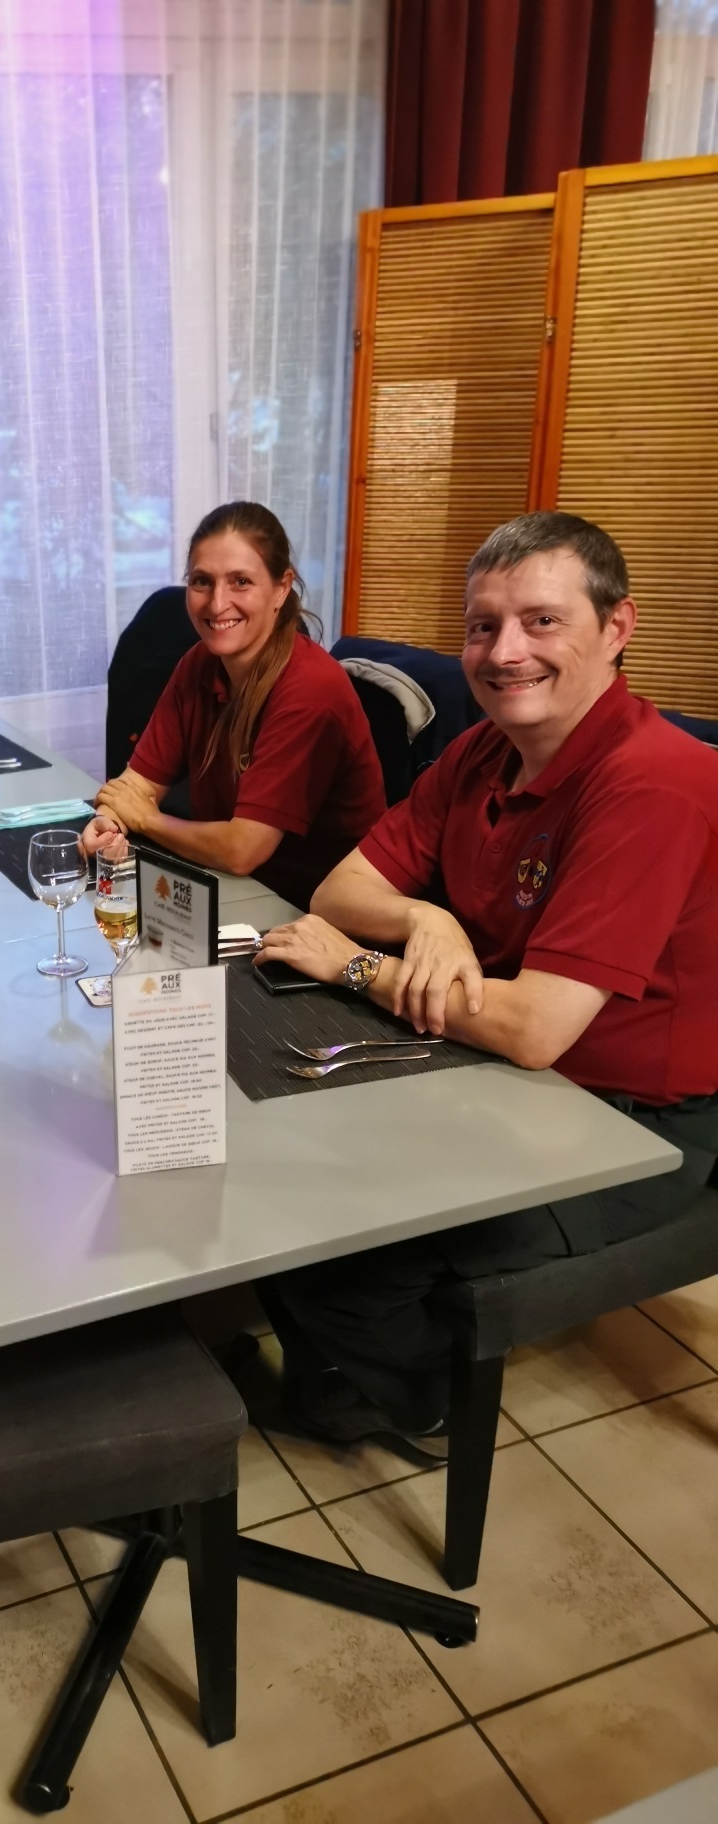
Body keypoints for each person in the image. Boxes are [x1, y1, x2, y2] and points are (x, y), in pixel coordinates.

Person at [253, 512, 718, 1448]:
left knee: (337, 1258)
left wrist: (357, 963)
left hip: (631, 1122)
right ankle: (340, 1364)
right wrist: (428, 918)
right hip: (500, 1075)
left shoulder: (655, 782)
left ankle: (426, 1402)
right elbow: (344, 889)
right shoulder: (481, 753)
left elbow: (535, 1027)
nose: (505, 652)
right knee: (277, 1169)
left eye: (541, 621)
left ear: (616, 628)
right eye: (483, 626)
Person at [85, 502, 386, 908]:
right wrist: (107, 823)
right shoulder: (198, 663)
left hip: (313, 911)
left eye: (240, 581)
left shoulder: (311, 690)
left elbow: (243, 849)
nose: (217, 603)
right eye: (202, 582)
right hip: (232, 888)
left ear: (282, 588)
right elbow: (135, 786)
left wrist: (144, 819)